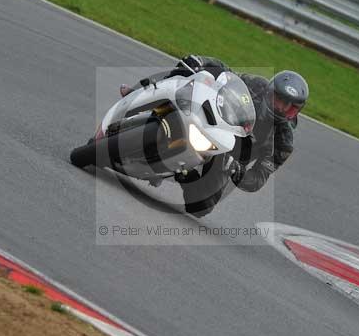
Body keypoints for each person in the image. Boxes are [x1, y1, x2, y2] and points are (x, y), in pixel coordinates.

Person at [122, 55, 309, 216]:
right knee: (186, 79)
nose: (281, 108)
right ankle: (139, 95)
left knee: (201, 208)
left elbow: (260, 177)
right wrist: (201, 61)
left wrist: (238, 171)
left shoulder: (283, 142)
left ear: (296, 112)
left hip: (228, 158)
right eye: (279, 99)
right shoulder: (257, 86)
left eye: (289, 107)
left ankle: (184, 176)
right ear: (270, 91)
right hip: (215, 121)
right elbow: (226, 75)